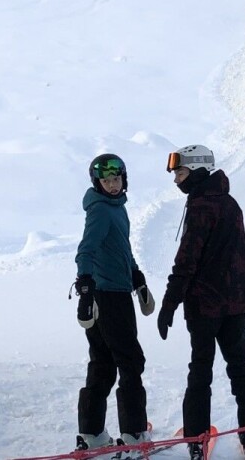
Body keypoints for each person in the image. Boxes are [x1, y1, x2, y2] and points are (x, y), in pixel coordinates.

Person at [156, 145, 245, 460]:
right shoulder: (230, 203)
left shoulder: (201, 206)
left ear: (199, 169)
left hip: (205, 307)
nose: (177, 180)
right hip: (235, 306)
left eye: (180, 172)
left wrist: (169, 303)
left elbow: (186, 261)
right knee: (239, 369)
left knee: (200, 371)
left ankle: (195, 440)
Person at [72, 153, 156, 455]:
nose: (111, 184)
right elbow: (87, 249)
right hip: (109, 298)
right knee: (130, 362)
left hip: (112, 292)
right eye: (106, 180)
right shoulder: (102, 211)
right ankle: (135, 436)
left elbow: (121, 248)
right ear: (98, 183)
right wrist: (85, 284)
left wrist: (137, 275)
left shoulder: (115, 209)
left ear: (124, 180)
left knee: (103, 363)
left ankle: (92, 433)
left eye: (116, 179)